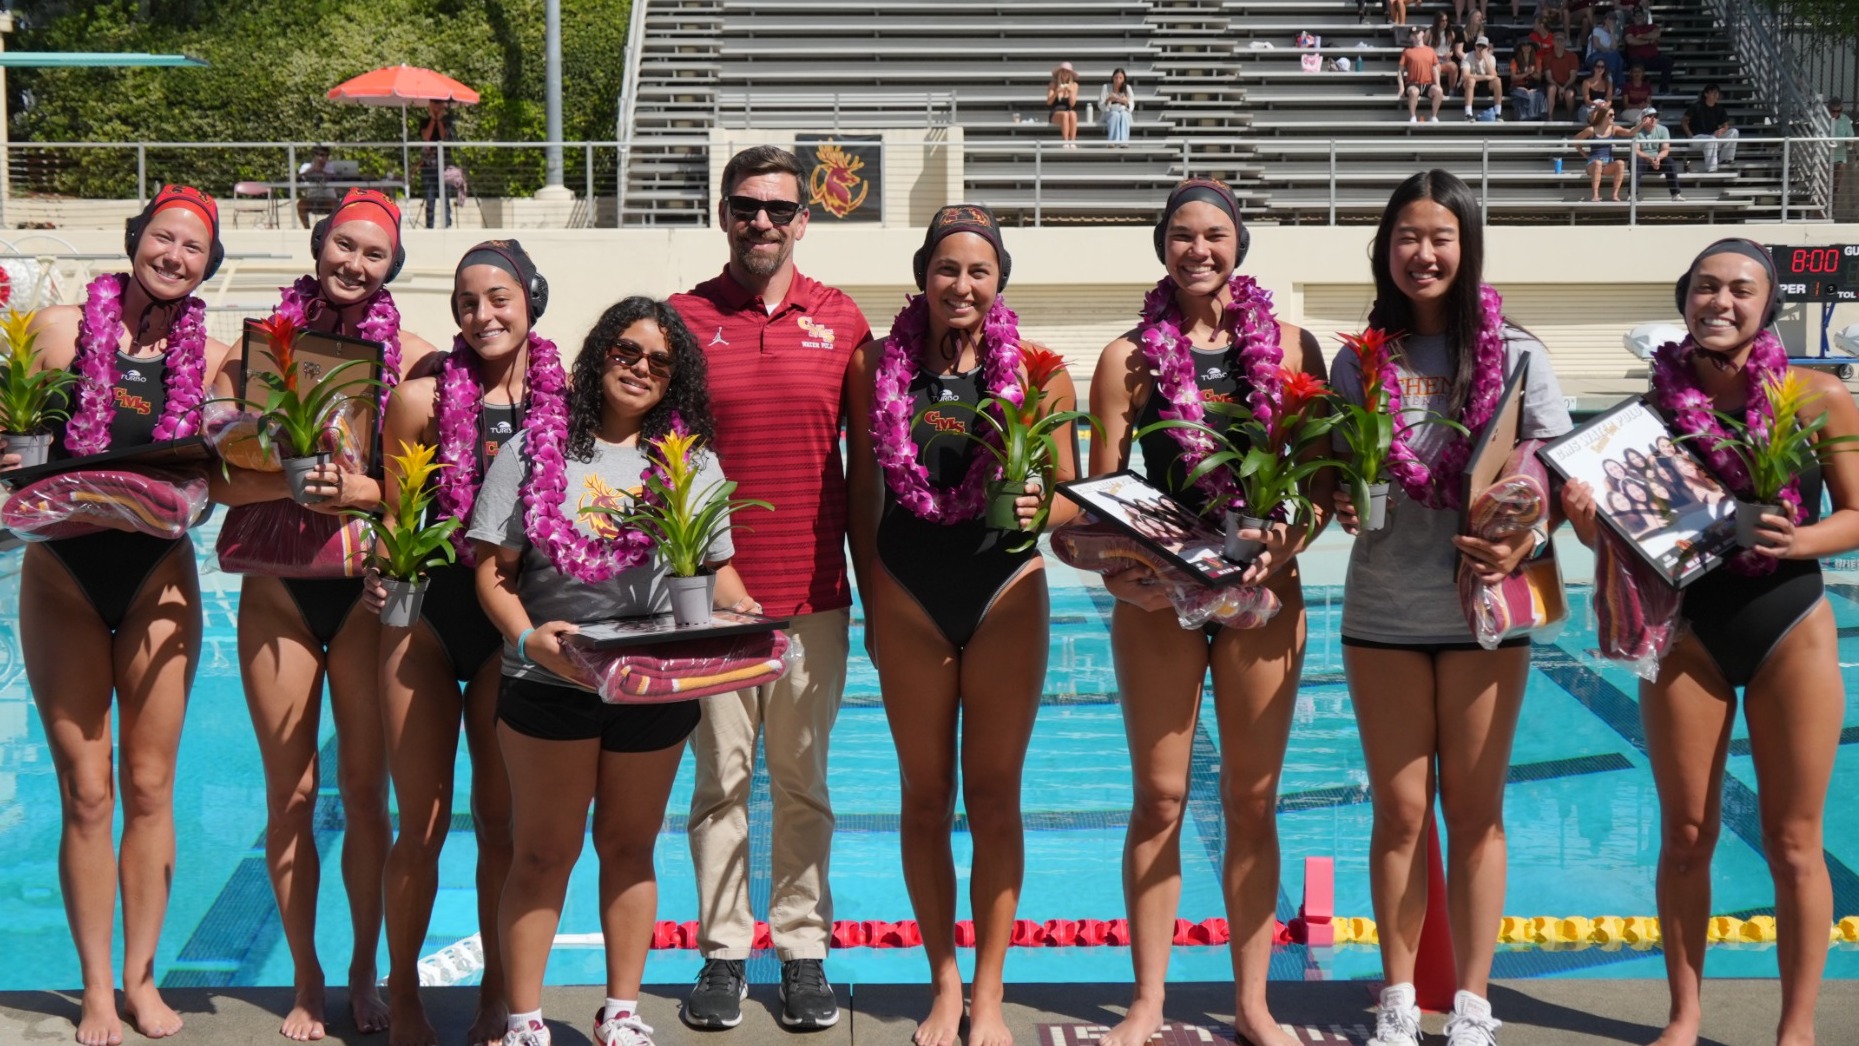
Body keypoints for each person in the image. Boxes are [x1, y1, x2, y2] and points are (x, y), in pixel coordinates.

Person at [1561, 238, 1859, 1046]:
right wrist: (1594, 528)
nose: (1719, 302)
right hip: (1684, 632)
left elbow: (1856, 516)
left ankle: (1795, 1029)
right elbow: (1636, 540)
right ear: (1683, 296)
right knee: (1686, 836)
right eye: (1704, 287)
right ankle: (1683, 1017)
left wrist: (1791, 542)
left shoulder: (1818, 396)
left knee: (1793, 843)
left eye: (1739, 289)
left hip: (1786, 628)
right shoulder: (1643, 417)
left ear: (1766, 306)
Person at [1086, 178, 1332, 1046]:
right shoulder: (1128, 359)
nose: (1200, 249)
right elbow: (1098, 499)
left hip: (1266, 595)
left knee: (1251, 799)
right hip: (1158, 599)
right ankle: (1148, 1000)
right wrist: (1122, 574)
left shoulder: (1294, 348)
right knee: (1158, 798)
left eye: (1216, 235)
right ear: (1162, 247)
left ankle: (1253, 1002)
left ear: (1239, 247)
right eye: (1183, 235)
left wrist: (1286, 543)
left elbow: (1321, 489)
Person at [1330, 170, 1572, 1046]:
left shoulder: (1517, 354)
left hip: (1484, 611)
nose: (1421, 253)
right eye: (1405, 236)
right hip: (1384, 612)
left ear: (1466, 247)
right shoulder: (1355, 359)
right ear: (1383, 249)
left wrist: (1523, 524)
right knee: (1397, 814)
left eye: (1439, 237)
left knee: (1474, 813)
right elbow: (1329, 474)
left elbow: (1556, 466)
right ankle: (1398, 996)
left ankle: (1471, 1002)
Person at [470, 297, 752, 1046]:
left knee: (630, 847)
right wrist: (528, 642)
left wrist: (748, 617)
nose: (639, 369)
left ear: (673, 382)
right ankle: (526, 1018)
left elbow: (717, 574)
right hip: (549, 682)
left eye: (659, 363)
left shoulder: (688, 462)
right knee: (541, 851)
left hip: (652, 684)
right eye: (627, 351)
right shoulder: (535, 450)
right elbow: (493, 574)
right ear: (600, 354)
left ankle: (620, 1012)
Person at [3, 186, 237, 1046]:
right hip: (62, 572)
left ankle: (142, 979)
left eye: (193, 249)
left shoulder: (211, 360)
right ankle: (96, 989)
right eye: (162, 239)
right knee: (86, 790)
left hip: (158, 579)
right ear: (136, 239)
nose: (174, 256)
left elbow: (223, 474)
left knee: (147, 786)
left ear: (209, 266)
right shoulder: (61, 332)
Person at [845, 205, 1083, 1046]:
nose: (962, 284)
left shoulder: (1043, 371)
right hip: (908, 591)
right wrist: (873, 606)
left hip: (1005, 588)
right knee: (923, 796)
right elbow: (863, 494)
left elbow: (1067, 499)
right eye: (947, 267)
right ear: (923, 274)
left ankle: (988, 991)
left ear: (999, 281)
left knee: (993, 797)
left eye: (979, 270)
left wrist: (1038, 500)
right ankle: (941, 982)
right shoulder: (875, 364)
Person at [212, 188, 441, 1041]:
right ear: (318, 248)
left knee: (367, 794)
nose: (353, 264)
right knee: (292, 795)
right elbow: (215, 482)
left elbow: (420, 487)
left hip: (360, 596)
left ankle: (361, 970)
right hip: (277, 587)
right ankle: (305, 976)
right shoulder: (249, 356)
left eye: (372, 254)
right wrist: (288, 482)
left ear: (392, 268)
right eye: (343, 247)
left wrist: (364, 489)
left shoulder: (413, 361)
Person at [667, 145, 872, 1032]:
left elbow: (871, 466)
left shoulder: (842, 320)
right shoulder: (681, 320)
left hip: (814, 592)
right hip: (709, 599)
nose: (761, 222)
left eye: (778, 210)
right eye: (745, 206)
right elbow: (664, 467)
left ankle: (800, 949)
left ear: (803, 220)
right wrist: (711, 566)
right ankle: (721, 952)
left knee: (800, 781)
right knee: (719, 779)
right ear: (722, 213)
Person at [376, 241, 556, 1046]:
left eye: (497, 298)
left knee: (499, 822)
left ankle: (497, 995)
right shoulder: (417, 399)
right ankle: (406, 992)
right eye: (464, 302)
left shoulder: (567, 403)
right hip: (424, 621)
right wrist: (381, 575)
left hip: (509, 623)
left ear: (531, 301)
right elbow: (390, 517)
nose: (480, 315)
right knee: (418, 820)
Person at [418, 98, 458, 229]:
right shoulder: (424, 121)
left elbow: (443, 136)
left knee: (445, 199)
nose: (437, 108)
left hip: (444, 166)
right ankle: (430, 226)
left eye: (439, 105)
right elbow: (426, 136)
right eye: (434, 104)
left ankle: (446, 225)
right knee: (429, 199)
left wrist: (439, 120)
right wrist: (433, 120)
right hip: (428, 167)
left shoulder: (448, 122)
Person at [1575, 104, 1628, 202]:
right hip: (1594, 163)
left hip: (1608, 163)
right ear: (1604, 116)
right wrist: (1585, 155)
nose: (1613, 117)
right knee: (1598, 163)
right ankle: (1595, 195)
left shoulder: (1613, 128)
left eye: (1614, 115)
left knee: (1620, 163)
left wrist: (1641, 125)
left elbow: (1630, 133)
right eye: (1611, 115)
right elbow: (1576, 141)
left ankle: (1615, 195)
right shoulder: (1592, 129)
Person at [1682, 84, 1738, 174]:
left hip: (1713, 137)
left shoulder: (1719, 108)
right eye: (1714, 93)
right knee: (1711, 139)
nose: (1716, 95)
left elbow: (1726, 125)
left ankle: (1726, 159)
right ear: (1706, 94)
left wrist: (1722, 130)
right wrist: (1689, 134)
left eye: (1717, 93)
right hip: (1697, 138)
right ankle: (1711, 169)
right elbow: (1684, 120)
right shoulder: (1697, 106)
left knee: (1734, 132)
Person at [1633, 108, 1686, 201]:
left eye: (1656, 116)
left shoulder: (1663, 129)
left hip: (1657, 161)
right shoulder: (1636, 130)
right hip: (1643, 161)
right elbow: (1636, 150)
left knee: (1669, 161)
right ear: (1643, 119)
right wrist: (1650, 159)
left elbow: (1665, 149)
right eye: (1650, 116)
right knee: (1637, 161)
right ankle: (1632, 195)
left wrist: (1657, 158)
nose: (1653, 119)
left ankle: (1675, 194)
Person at [1622, 7, 1674, 93]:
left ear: (1644, 17)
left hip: (1652, 58)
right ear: (1633, 18)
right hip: (1636, 58)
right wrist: (1649, 42)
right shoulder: (1629, 28)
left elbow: (1656, 34)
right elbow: (1630, 41)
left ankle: (1663, 90)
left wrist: (1640, 36)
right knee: (1636, 64)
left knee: (1667, 61)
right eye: (1636, 16)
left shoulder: (1652, 26)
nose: (1638, 17)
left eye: (1640, 15)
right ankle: (1638, 90)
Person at [1401, 29, 1446, 124]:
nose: (1416, 35)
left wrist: (1438, 84)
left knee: (1439, 91)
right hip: (1412, 83)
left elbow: (1435, 69)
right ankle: (1413, 116)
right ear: (1411, 37)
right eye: (1413, 34)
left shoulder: (1430, 50)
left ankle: (1433, 116)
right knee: (1414, 91)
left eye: (1418, 32)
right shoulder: (1407, 51)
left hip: (1427, 84)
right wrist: (1401, 87)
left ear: (1422, 33)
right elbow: (1400, 71)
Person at [1542, 35, 1583, 122]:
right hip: (1553, 84)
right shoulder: (1547, 57)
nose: (1559, 42)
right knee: (1551, 89)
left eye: (1562, 40)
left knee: (1570, 94)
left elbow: (1573, 76)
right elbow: (1548, 77)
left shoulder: (1572, 56)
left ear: (1565, 42)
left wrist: (1564, 88)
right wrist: (1559, 87)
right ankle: (1550, 118)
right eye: (1557, 40)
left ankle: (1569, 117)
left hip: (1568, 84)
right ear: (1553, 42)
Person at [1462, 36, 1504, 121]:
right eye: (1479, 45)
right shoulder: (1467, 56)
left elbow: (1494, 75)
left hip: (1485, 85)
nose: (1481, 48)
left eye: (1483, 46)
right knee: (1471, 81)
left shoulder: (1491, 58)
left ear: (1487, 48)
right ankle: (1468, 114)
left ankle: (1498, 113)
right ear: (1475, 46)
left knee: (1497, 81)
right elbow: (1465, 75)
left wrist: (1485, 57)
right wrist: (1485, 77)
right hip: (1469, 85)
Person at [297, 145, 339, 229]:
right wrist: (312, 169)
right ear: (315, 156)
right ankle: (307, 228)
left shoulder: (331, 166)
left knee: (336, 205)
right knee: (301, 205)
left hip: (328, 197)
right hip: (312, 197)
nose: (324, 158)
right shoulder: (306, 166)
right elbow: (298, 178)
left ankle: (332, 229)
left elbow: (334, 177)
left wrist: (321, 171)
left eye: (326, 155)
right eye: (321, 155)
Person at [1509, 40, 1547, 121]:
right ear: (1521, 48)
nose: (1526, 48)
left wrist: (1531, 73)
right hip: (1518, 86)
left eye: (1528, 46)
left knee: (1537, 95)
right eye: (1524, 46)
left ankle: (1536, 117)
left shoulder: (1537, 60)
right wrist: (1527, 73)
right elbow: (1513, 77)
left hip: (1533, 86)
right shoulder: (1514, 60)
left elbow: (1539, 77)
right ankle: (1523, 117)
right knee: (1522, 94)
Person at [1585, 10, 1623, 87]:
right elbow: (1597, 45)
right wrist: (1609, 51)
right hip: (1594, 56)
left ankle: (1612, 80)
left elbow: (1615, 48)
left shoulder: (1614, 36)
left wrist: (1612, 31)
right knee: (1614, 56)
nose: (1612, 21)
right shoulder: (1597, 30)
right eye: (1610, 19)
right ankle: (1613, 81)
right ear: (1605, 20)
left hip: (1609, 58)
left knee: (1618, 58)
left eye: (1614, 20)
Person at [1047, 62, 1081, 147]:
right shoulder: (1053, 85)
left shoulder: (1074, 85)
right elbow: (1049, 102)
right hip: (1056, 112)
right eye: (1063, 71)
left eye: (1067, 72)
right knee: (1065, 114)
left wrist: (1070, 92)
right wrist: (1056, 93)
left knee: (1073, 113)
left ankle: (1072, 142)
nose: (1065, 74)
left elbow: (1072, 104)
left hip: (1068, 111)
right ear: (1059, 73)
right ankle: (1065, 142)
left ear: (1070, 74)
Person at [1830, 97, 1853, 215]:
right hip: (1826, 158)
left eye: (1838, 111)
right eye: (1833, 111)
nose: (1835, 114)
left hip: (1840, 158)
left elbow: (1851, 138)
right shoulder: (1824, 118)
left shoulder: (1845, 119)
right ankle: (1821, 213)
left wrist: (1847, 142)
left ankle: (1832, 212)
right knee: (1825, 186)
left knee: (1836, 187)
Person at [1575, 58, 1615, 126]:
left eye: (1602, 67)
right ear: (1594, 68)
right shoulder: (1587, 82)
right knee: (1594, 115)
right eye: (1598, 66)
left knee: (1609, 114)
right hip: (1588, 108)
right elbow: (1587, 100)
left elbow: (1609, 100)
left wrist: (1604, 106)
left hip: (1602, 107)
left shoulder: (1608, 83)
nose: (1600, 69)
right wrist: (1596, 105)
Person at [1430, 13, 1464, 95]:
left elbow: (1452, 48)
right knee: (1436, 68)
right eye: (1442, 20)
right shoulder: (1430, 32)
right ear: (1437, 21)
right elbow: (1423, 48)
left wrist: (1451, 53)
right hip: (1433, 61)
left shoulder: (1451, 33)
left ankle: (1451, 91)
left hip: (1445, 60)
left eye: (1446, 20)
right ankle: (1437, 90)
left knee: (1454, 67)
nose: (1445, 22)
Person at [1100, 68, 1135, 145]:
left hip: (1124, 111)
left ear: (1124, 79)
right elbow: (1101, 105)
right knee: (1115, 115)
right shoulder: (1105, 87)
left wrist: (1125, 102)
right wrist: (1108, 100)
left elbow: (1131, 104)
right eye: (1116, 77)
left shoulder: (1127, 88)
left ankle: (1124, 142)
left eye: (1120, 78)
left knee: (1124, 115)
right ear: (1112, 78)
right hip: (1110, 113)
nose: (1118, 80)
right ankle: (1112, 142)